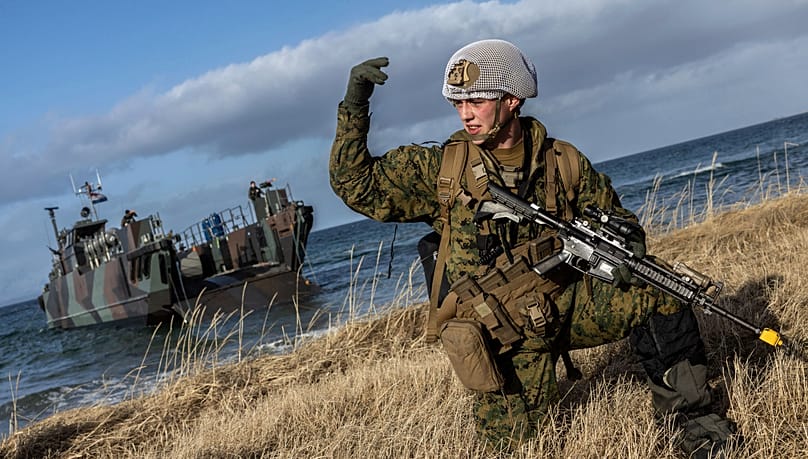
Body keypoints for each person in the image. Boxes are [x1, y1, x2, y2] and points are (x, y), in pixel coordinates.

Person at [329, 40, 736, 456]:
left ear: (512, 98)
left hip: (570, 305)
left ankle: (694, 421)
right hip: (506, 337)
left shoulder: (563, 161)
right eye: (458, 103)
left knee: (659, 288)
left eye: (477, 100)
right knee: (520, 449)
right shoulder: (440, 170)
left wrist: (628, 243)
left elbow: (617, 220)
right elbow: (355, 185)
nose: (465, 113)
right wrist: (354, 106)